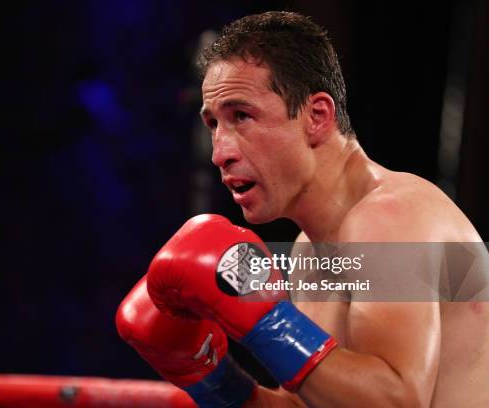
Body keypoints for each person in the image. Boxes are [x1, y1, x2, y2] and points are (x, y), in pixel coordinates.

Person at [117, 11, 489, 407]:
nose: (220, 153)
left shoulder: (389, 216)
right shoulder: (308, 250)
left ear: (317, 117)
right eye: (214, 125)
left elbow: (396, 401)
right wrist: (211, 376)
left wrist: (267, 321)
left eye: (241, 116)